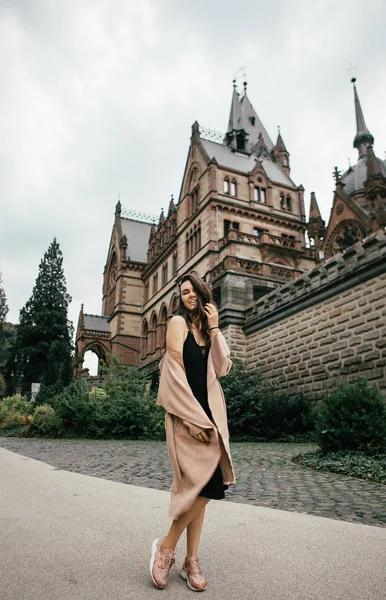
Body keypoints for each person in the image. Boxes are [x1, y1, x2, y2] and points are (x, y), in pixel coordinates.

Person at [149, 271, 236, 592]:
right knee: (202, 486)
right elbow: (171, 375)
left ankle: (190, 560)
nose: (188, 296)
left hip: (212, 420)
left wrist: (215, 329)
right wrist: (192, 419)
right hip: (186, 419)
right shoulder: (177, 324)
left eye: (193, 290)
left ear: (203, 292)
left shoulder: (207, 329)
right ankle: (166, 550)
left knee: (203, 487)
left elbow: (223, 367)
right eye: (183, 292)